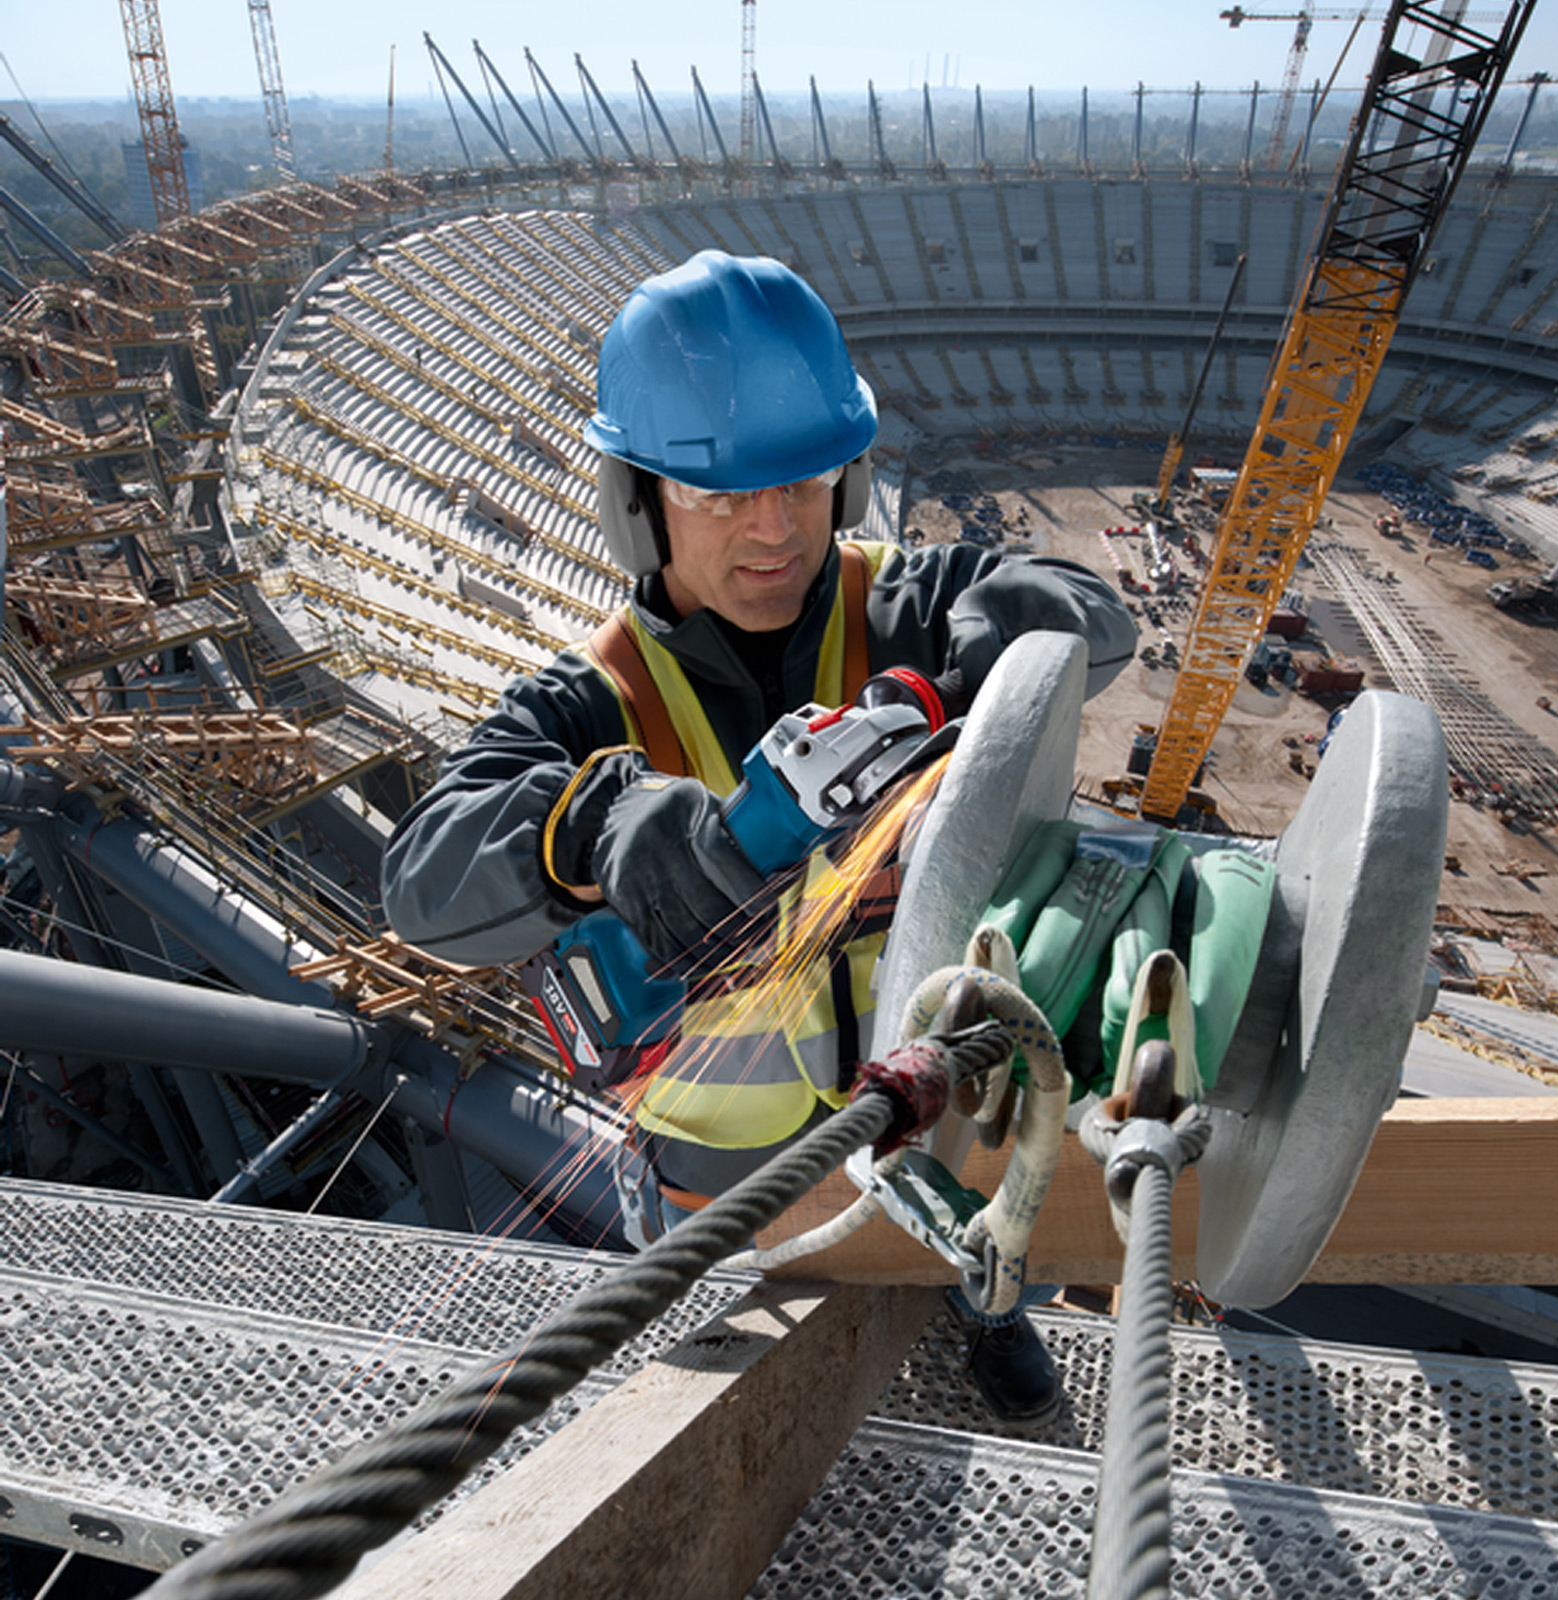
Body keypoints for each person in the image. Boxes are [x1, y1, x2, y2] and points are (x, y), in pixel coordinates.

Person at [381, 250, 1138, 1427]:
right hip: (723, 1176)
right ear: (638, 501)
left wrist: (1013, 623)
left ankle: (981, 1307)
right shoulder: (592, 701)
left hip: (929, 1091)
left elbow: (1089, 607)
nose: (776, 529)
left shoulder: (905, 597)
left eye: (802, 482)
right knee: (731, 1424)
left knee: (964, 1239)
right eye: (720, 495)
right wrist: (596, 821)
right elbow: (421, 876)